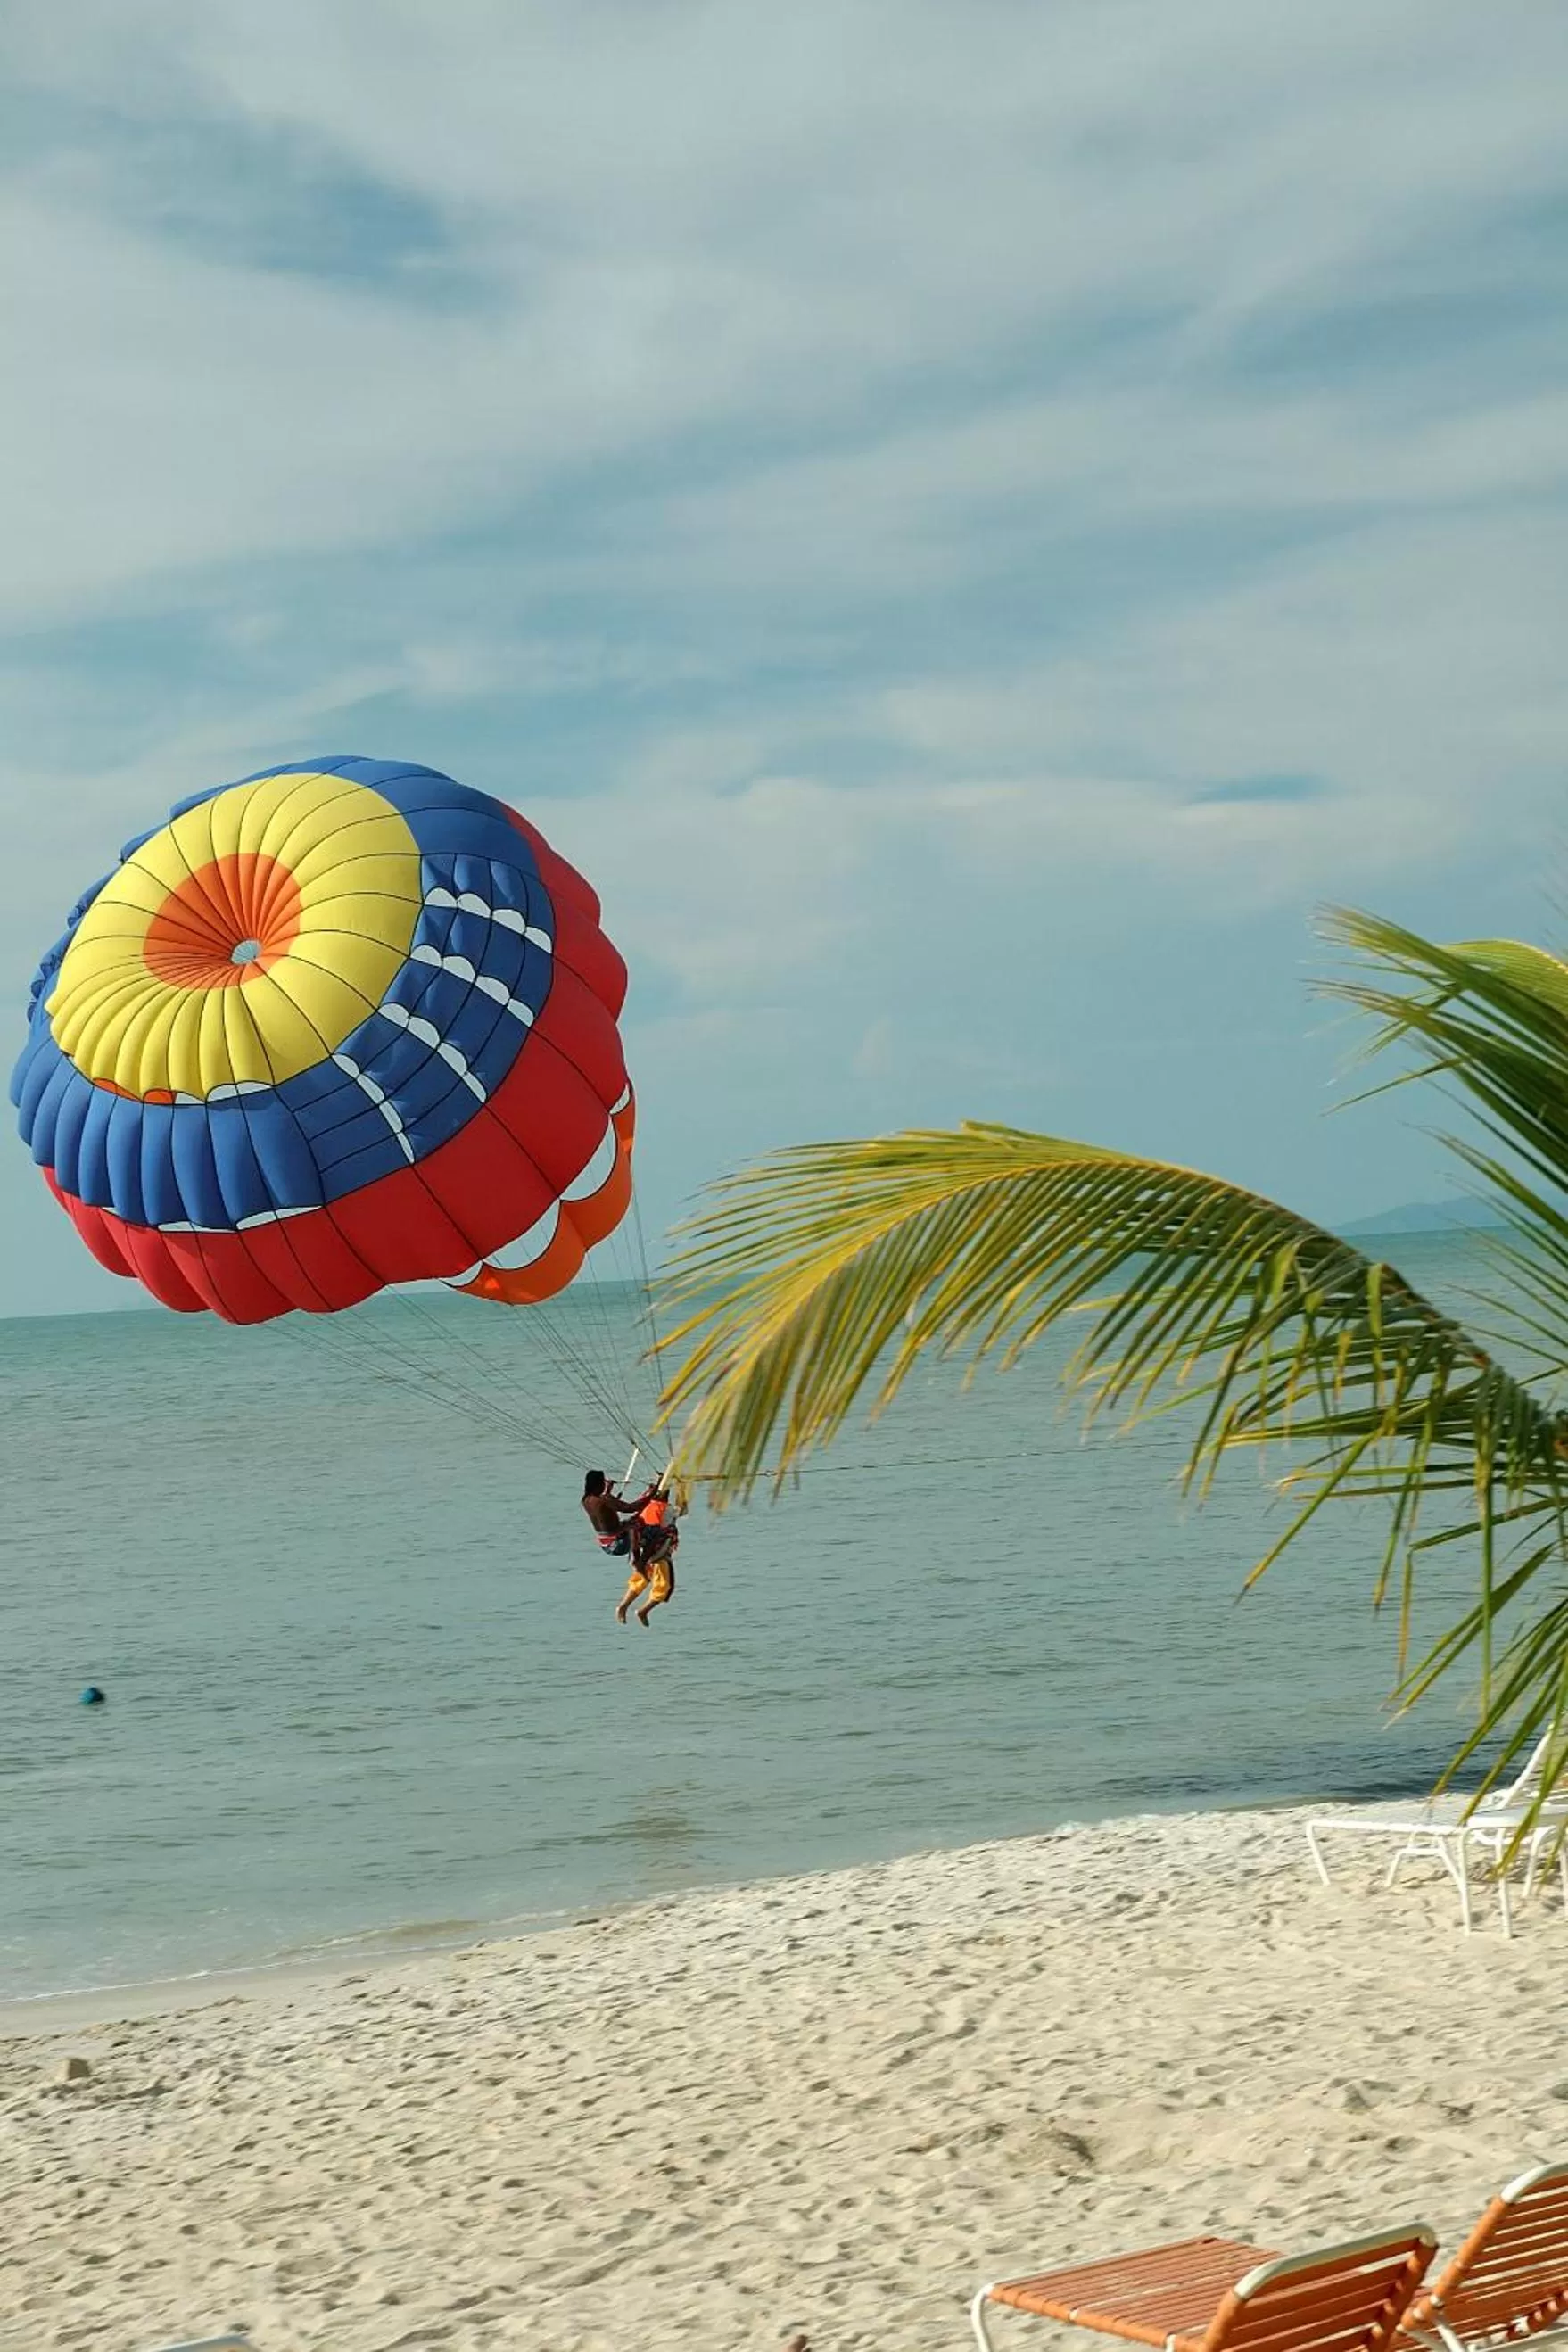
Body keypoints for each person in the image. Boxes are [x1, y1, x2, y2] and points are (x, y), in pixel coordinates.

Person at [616, 1489, 680, 1628]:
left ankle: (623, 1606)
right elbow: (682, 1509)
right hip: (659, 1554)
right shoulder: (667, 1509)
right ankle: (643, 1611)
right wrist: (682, 1492)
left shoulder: (646, 1507)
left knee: (641, 1579)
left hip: (646, 1552)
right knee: (664, 1587)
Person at [582, 1468, 655, 1558]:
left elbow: (603, 1511)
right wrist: (652, 1495)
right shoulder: (605, 1500)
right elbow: (631, 1508)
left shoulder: (586, 1500)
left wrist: (608, 1491)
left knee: (634, 1520)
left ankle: (640, 1556)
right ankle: (641, 1561)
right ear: (599, 1484)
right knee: (654, 1531)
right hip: (619, 1545)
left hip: (606, 1546)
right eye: (603, 1482)